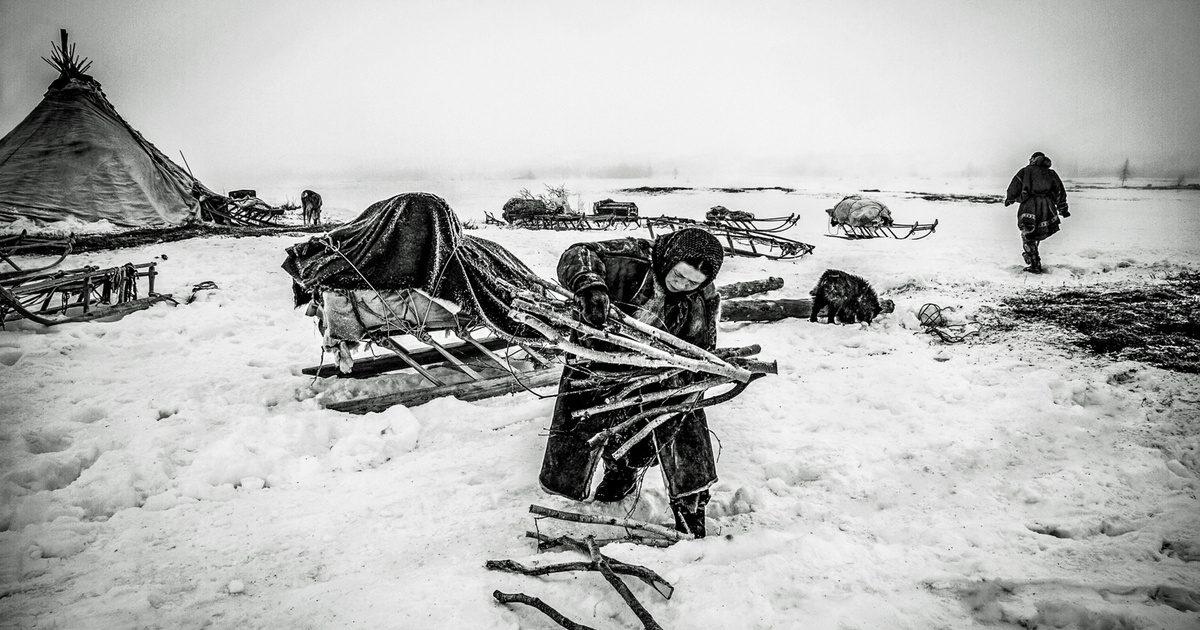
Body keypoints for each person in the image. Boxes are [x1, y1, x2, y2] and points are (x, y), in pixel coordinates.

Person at [539, 227, 724, 537]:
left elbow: (704, 342)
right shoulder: (634, 256)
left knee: (682, 424)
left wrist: (696, 372)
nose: (682, 285)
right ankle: (616, 474)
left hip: (660, 368)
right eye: (679, 275)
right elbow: (580, 253)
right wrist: (590, 286)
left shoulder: (703, 296)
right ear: (670, 259)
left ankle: (691, 507)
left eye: (693, 282)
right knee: (587, 424)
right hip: (598, 361)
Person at [1005, 151, 1070, 273]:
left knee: (1027, 234)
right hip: (1047, 207)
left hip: (1030, 206)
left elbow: (1014, 186)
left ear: (1033, 159)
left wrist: (1010, 198)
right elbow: (1059, 191)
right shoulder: (1051, 173)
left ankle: (1034, 262)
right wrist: (1063, 208)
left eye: (1031, 159)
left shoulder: (1025, 171)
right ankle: (1032, 258)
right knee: (1037, 233)